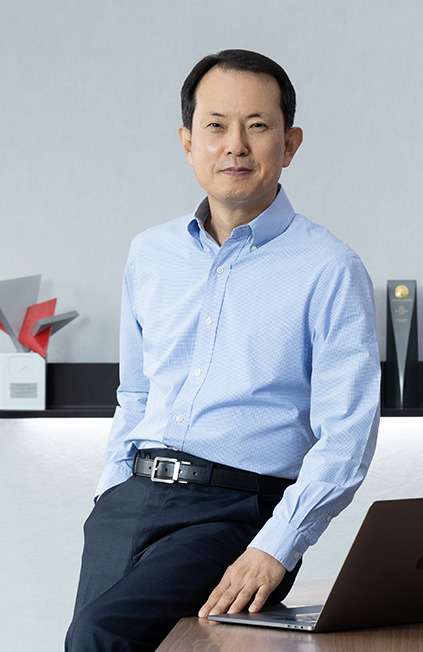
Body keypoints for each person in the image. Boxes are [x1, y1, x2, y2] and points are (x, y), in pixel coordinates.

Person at [65, 48, 381, 651]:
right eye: (216, 126)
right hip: (129, 500)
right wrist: (111, 487)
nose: (235, 145)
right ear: (188, 142)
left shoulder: (329, 268)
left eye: (257, 126)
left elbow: (347, 434)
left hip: (236, 513)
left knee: (101, 634)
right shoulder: (150, 253)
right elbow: (136, 392)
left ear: (290, 144)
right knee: (88, 644)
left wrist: (277, 546)